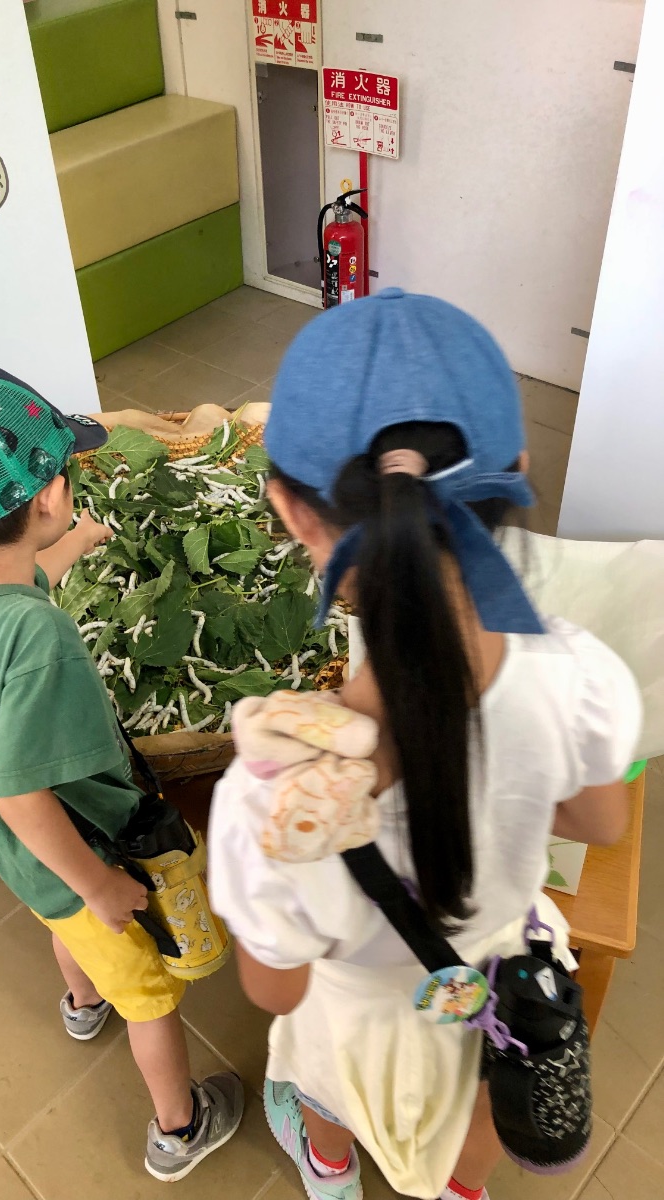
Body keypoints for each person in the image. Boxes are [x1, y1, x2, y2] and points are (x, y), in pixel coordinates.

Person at [207, 290, 641, 1200]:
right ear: (518, 475)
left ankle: (329, 1168)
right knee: (477, 1106)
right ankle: (457, 1190)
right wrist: (505, 779)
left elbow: (279, 992)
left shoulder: (270, 798)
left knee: (316, 1078)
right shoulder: (580, 676)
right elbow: (602, 822)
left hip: (359, 1022)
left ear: (292, 513)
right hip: (496, 979)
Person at [0, 367, 243, 1182]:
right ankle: (179, 1126)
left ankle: (82, 1005)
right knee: (151, 999)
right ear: (48, 497)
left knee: (67, 932)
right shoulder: (38, 638)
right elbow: (23, 794)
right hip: (85, 847)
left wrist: (80, 541)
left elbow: (18, 585)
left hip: (27, 860)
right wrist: (100, 885)